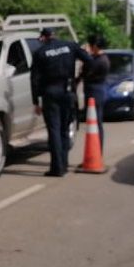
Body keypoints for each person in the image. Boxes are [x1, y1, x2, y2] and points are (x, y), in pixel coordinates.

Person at [31, 28, 94, 176]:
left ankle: (57, 168)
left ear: (43, 38)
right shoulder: (70, 46)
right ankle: (64, 165)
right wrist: (80, 78)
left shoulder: (40, 53)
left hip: (50, 94)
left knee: (54, 131)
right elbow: (89, 60)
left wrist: (36, 101)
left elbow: (34, 79)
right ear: (54, 36)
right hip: (68, 91)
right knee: (65, 130)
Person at [79, 34, 110, 148]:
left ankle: (97, 152)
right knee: (92, 123)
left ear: (95, 46)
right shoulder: (97, 59)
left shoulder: (101, 60)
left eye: (90, 45)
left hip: (96, 93)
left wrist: (86, 55)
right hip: (93, 92)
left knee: (96, 123)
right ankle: (94, 151)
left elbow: (86, 71)